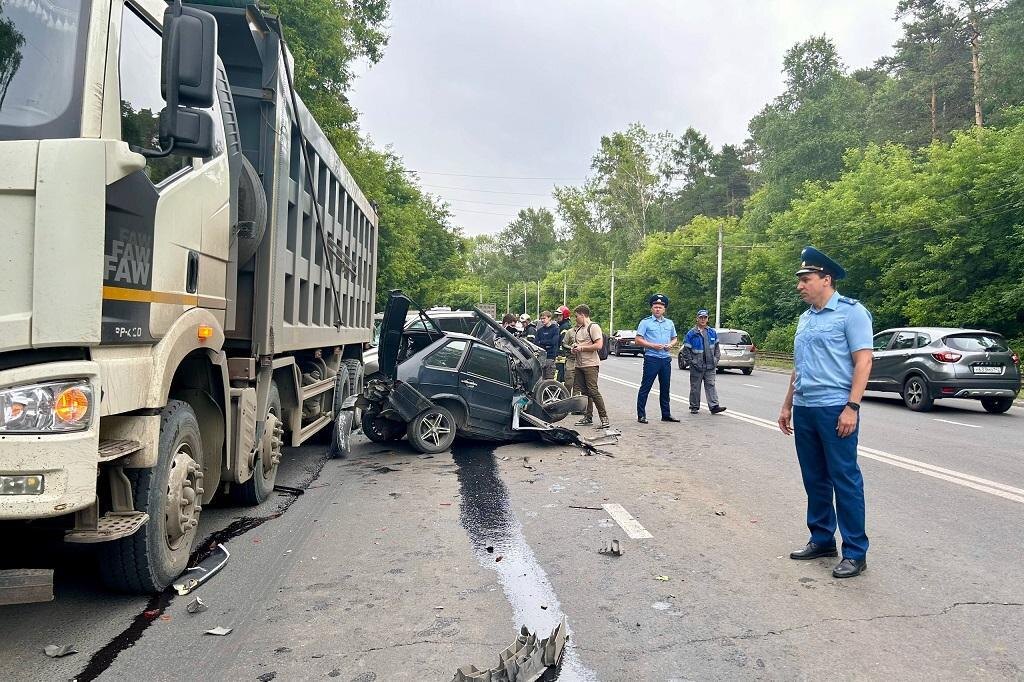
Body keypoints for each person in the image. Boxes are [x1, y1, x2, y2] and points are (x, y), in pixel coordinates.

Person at [778, 246, 873, 579]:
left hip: (836, 409)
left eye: (806, 279)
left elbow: (864, 361)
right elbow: (799, 367)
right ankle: (821, 539)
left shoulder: (852, 313)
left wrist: (852, 407)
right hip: (805, 408)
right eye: (800, 280)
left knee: (844, 479)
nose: (800, 285)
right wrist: (788, 403)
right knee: (815, 479)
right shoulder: (805, 318)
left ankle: (855, 552)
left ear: (826, 279)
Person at [634, 293, 679, 423]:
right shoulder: (645, 322)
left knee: (665, 387)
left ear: (664, 309)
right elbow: (638, 340)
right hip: (651, 358)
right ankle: (641, 415)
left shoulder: (669, 323)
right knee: (646, 387)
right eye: (655, 306)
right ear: (651, 308)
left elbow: (675, 338)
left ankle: (666, 414)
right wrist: (652, 345)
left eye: (660, 307)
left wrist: (670, 345)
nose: (658, 309)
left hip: (665, 358)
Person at [571, 304, 610, 428]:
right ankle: (588, 416)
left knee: (593, 391)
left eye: (576, 316)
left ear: (583, 315)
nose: (575, 319)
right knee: (585, 392)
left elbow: (598, 345)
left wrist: (581, 348)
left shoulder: (593, 327)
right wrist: (574, 349)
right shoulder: (578, 329)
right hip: (579, 364)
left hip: (590, 364)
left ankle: (604, 418)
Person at [682, 309, 726, 415]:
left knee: (711, 385)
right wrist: (692, 363)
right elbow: (686, 351)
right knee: (695, 387)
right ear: (697, 319)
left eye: (705, 318)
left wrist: (716, 360)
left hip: (710, 365)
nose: (703, 320)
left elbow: (716, 348)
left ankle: (714, 406)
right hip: (697, 366)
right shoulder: (691, 334)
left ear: (707, 319)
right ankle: (694, 406)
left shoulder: (712, 332)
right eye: (701, 317)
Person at [534, 310, 560, 379]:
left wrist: (542, 342)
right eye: (541, 319)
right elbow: (536, 343)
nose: (542, 320)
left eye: (544, 318)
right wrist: (546, 343)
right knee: (540, 379)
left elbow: (553, 342)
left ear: (549, 318)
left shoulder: (555, 329)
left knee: (549, 379)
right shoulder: (540, 331)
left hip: (550, 357)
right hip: (541, 357)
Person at [555, 306, 573, 383]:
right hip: (564, 355)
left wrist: (559, 353)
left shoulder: (565, 327)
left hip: (562, 356)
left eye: (560, 315)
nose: (558, 317)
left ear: (564, 316)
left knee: (559, 376)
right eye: (557, 315)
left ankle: (559, 393)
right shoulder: (563, 325)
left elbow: (563, 342)